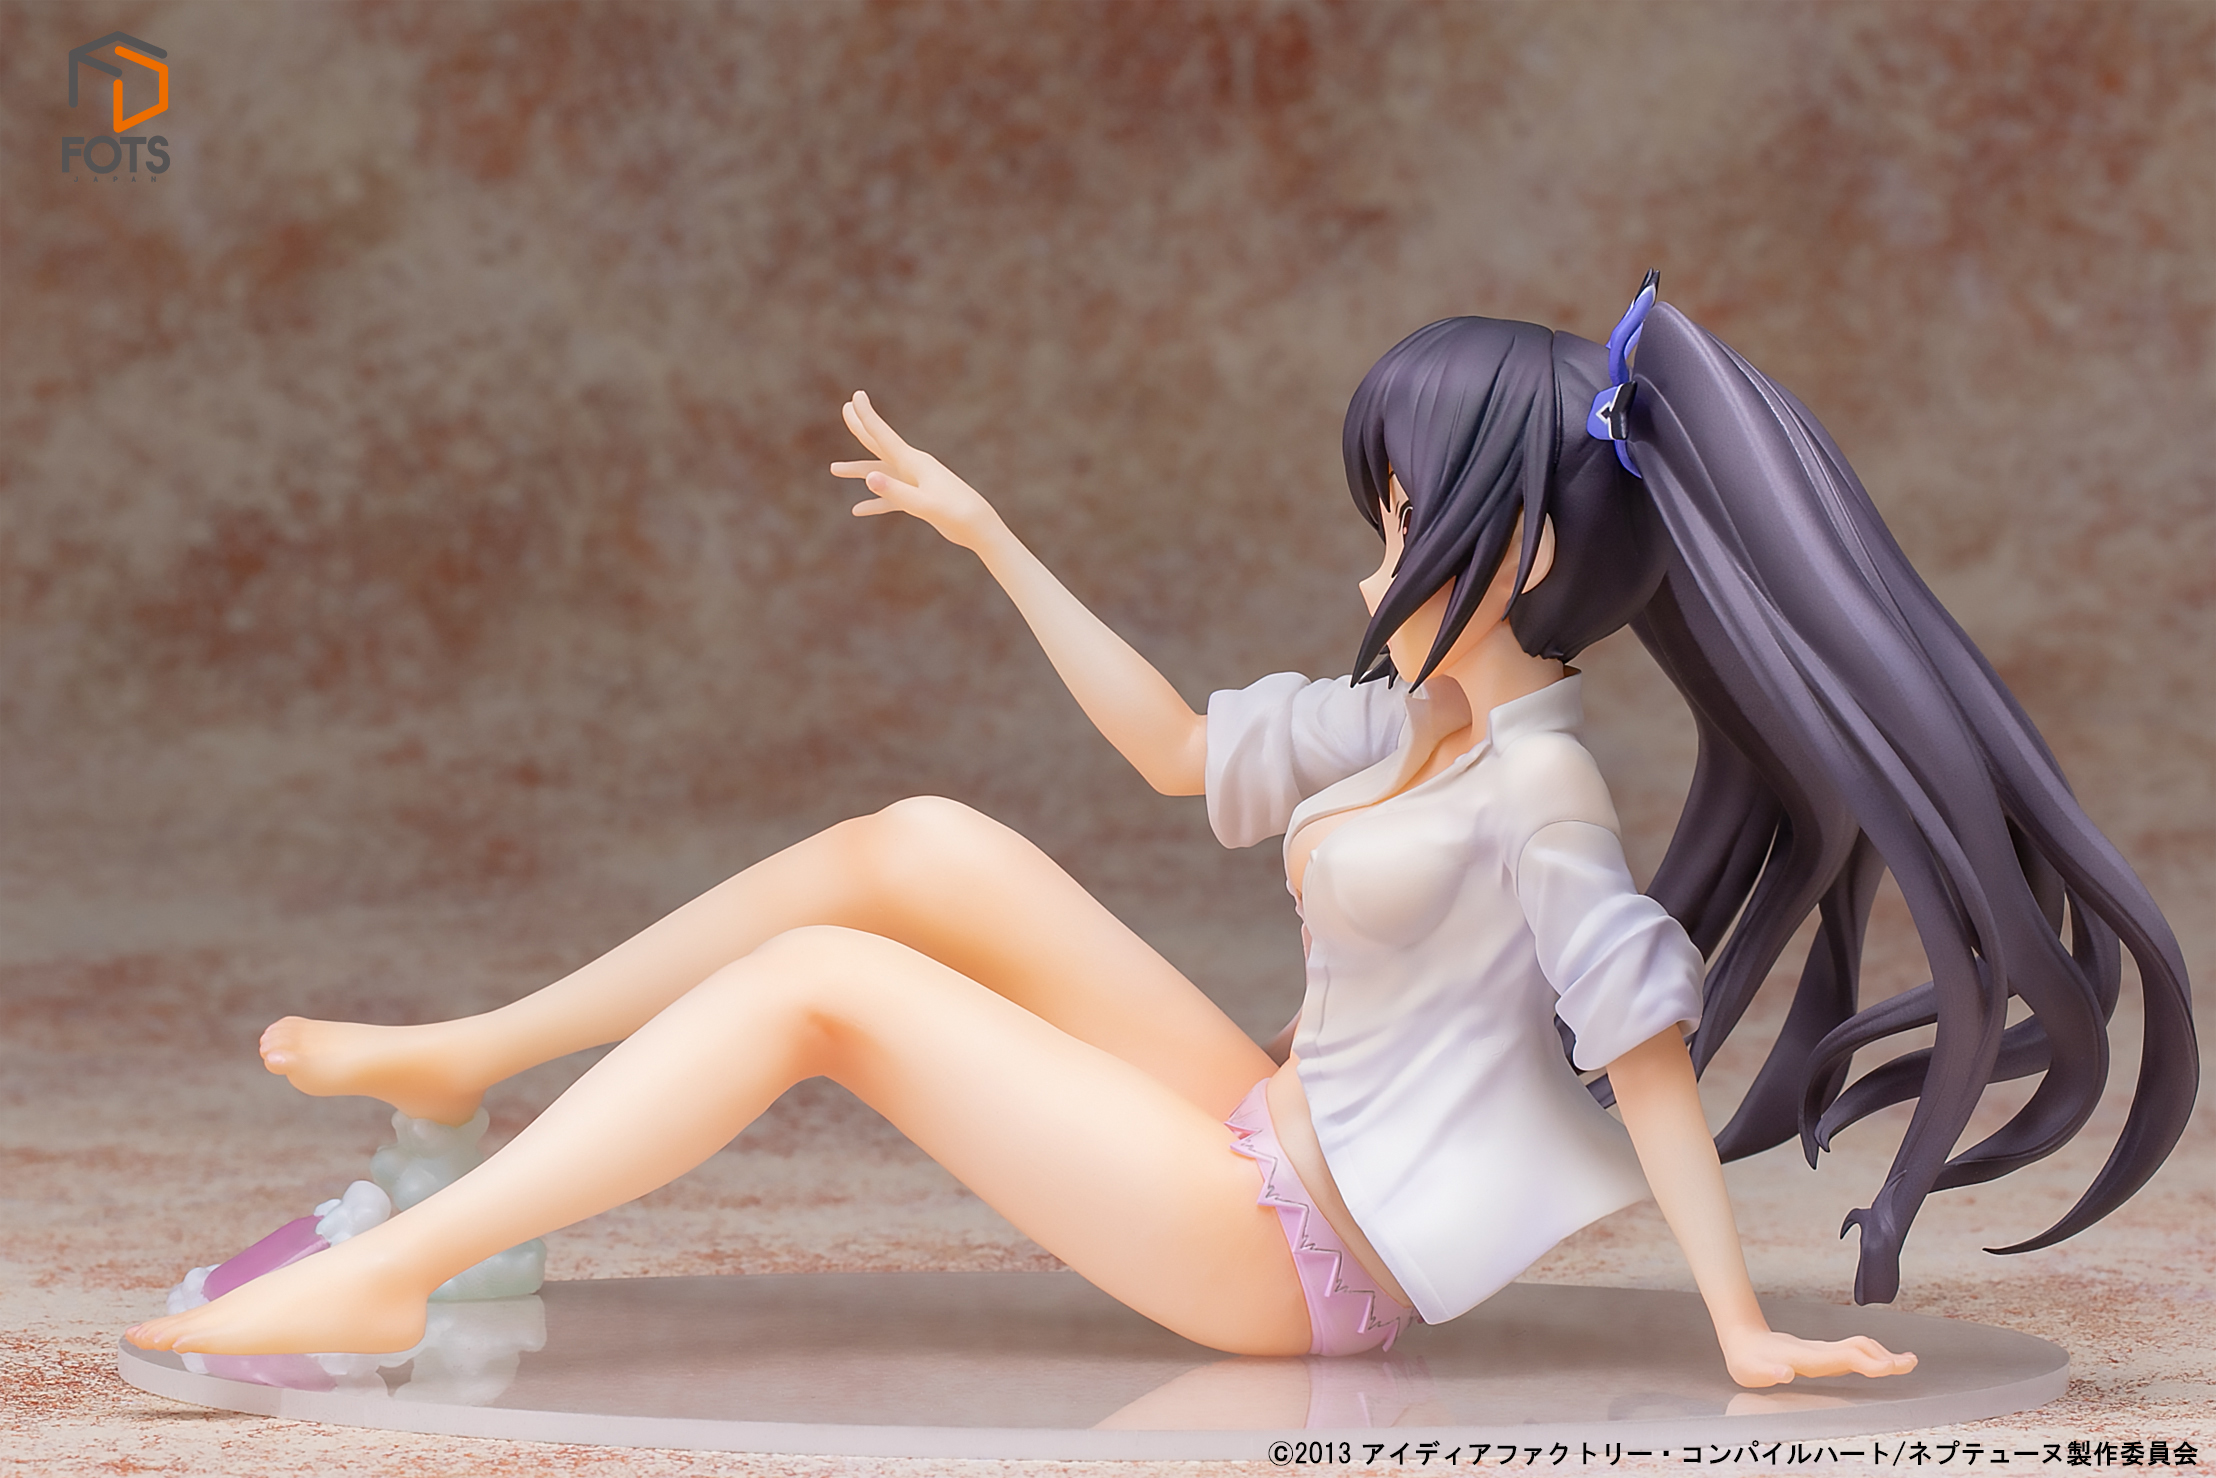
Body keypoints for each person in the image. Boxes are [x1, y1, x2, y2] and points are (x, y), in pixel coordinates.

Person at [128, 281, 2194, 1387]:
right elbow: (1167, 751)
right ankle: (469, 1059)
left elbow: (1642, 1050)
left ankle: (393, 1277)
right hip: (1262, 1120)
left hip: (1295, 1258)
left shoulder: (1540, 785)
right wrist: (993, 537)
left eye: (1405, 517)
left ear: (1510, 551)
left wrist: (1741, 1328)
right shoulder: (1408, 718)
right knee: (922, 844)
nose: (1376, 552)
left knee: (830, 992)